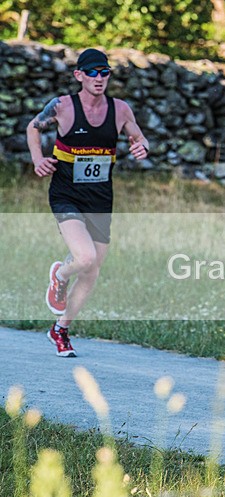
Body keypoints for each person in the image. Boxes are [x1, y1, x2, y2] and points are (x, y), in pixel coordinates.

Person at [26, 48, 150, 357]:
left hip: (100, 197)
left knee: (93, 269)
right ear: (78, 75)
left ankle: (61, 329)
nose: (99, 78)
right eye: (92, 72)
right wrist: (38, 159)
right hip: (66, 193)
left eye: (104, 72)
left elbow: (139, 137)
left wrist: (142, 147)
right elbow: (33, 127)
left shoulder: (120, 109)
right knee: (83, 257)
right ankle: (59, 275)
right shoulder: (62, 106)